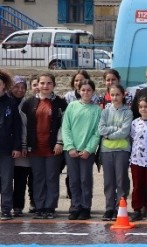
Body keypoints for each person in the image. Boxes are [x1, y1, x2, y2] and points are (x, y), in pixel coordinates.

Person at [21, 73, 67, 220]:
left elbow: (64, 125)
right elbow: (24, 126)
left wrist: (60, 142)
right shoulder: (28, 103)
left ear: (54, 85)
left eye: (48, 83)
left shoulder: (61, 103)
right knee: (38, 178)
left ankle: (50, 207)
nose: (45, 86)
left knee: (51, 177)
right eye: (42, 83)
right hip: (35, 148)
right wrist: (24, 145)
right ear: (38, 85)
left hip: (53, 148)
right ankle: (39, 207)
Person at [62, 79, 101, 220]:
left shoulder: (97, 110)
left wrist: (89, 149)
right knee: (74, 180)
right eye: (83, 90)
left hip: (87, 152)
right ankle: (75, 206)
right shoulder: (72, 106)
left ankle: (85, 207)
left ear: (93, 92)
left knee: (85, 180)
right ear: (78, 91)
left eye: (89, 90)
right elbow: (66, 127)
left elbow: (97, 132)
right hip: (71, 150)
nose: (86, 92)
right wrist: (70, 147)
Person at [98, 84, 135, 221]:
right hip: (106, 150)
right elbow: (101, 129)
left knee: (121, 180)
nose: (115, 97)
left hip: (122, 150)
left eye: (117, 94)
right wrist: (115, 128)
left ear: (123, 95)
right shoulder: (105, 112)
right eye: (112, 95)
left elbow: (124, 132)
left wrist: (109, 134)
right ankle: (109, 208)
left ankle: (120, 207)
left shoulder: (128, 112)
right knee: (109, 181)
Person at [9, 75, 34, 216]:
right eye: (16, 87)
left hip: (24, 148)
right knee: (10, 180)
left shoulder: (27, 104)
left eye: (22, 87)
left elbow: (26, 128)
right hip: (8, 148)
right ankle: (10, 205)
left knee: (23, 179)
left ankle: (22, 205)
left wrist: (23, 145)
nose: (20, 90)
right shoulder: (6, 102)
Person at [0, 70, 23, 220]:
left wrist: (17, 147)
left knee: (7, 181)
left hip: (6, 149)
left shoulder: (10, 103)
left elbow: (17, 127)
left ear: (4, 85)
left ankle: (6, 209)